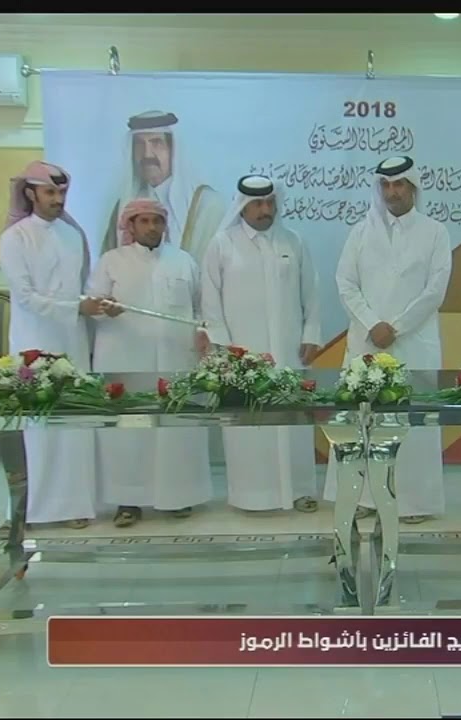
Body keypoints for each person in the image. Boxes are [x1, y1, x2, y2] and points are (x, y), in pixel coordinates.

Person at [324, 156, 451, 524]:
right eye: (386, 185)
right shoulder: (360, 233)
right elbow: (345, 283)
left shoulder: (435, 232)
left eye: (399, 184)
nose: (392, 192)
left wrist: (395, 327)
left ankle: (414, 501)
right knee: (363, 421)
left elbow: (435, 290)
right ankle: (361, 497)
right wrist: (371, 323)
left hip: (414, 342)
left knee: (413, 421)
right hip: (367, 342)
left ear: (413, 187)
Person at [199, 175, 322, 513]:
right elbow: (210, 304)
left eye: (269, 203)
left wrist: (311, 334)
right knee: (249, 430)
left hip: (290, 353)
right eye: (257, 203)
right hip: (243, 357)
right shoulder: (222, 244)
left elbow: (311, 293)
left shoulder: (293, 241)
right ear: (242, 206)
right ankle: (252, 495)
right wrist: (225, 350)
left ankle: (300, 490)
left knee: (292, 422)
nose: (265, 210)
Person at [87, 198, 213, 526]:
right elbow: (92, 304)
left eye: (157, 221)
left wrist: (203, 332)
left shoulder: (184, 261)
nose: (152, 227)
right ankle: (127, 501)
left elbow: (201, 309)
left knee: (176, 431)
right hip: (126, 361)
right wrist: (105, 308)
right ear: (130, 226)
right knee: (130, 433)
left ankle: (178, 497)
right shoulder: (111, 261)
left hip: (176, 360)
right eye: (144, 221)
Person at [0, 161, 106, 531]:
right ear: (30, 193)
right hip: (34, 341)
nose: (58, 199)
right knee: (39, 428)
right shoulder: (15, 238)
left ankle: (76, 505)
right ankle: (36, 510)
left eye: (62, 192)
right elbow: (25, 297)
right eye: (50, 192)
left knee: (74, 423)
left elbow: (79, 287)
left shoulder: (72, 235)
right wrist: (76, 307)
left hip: (72, 340)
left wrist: (97, 304)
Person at [100, 110, 226, 263]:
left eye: (156, 143)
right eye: (139, 144)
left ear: (173, 150)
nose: (147, 154)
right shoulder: (124, 207)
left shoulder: (208, 205)